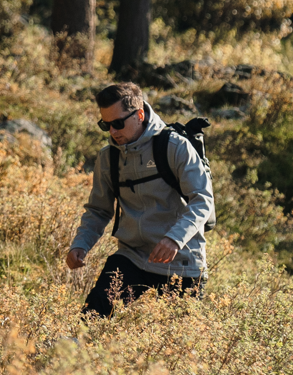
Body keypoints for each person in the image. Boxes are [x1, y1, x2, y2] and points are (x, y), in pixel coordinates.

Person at [65, 82, 214, 317]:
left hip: (182, 262)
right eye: (106, 125)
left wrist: (174, 239)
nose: (113, 131)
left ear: (140, 115)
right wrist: (80, 244)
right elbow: (98, 210)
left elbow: (202, 200)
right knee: (91, 318)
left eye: (118, 123)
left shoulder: (175, 147)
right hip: (132, 257)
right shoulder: (108, 158)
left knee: (177, 345)